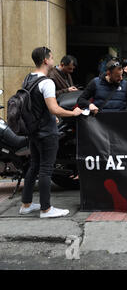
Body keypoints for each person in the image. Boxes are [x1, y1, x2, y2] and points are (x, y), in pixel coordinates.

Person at [19, 47, 83, 219]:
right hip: (47, 132)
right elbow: (55, 108)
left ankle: (26, 204)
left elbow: (36, 106)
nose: (53, 60)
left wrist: (48, 115)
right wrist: (73, 113)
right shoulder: (47, 82)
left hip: (34, 130)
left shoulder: (28, 79)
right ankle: (46, 209)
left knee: (34, 166)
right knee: (46, 170)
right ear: (46, 60)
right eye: (52, 57)